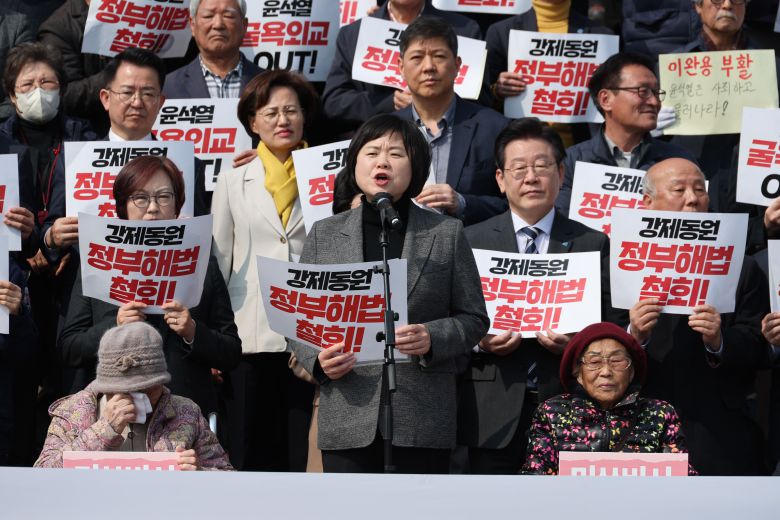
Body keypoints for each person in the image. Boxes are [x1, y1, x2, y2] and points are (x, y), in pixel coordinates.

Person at [290, 114, 489, 473]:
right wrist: (317, 361)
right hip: (348, 410)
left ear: (416, 167)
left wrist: (433, 336)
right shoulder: (324, 234)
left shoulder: (446, 233)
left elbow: (474, 318)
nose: (382, 161)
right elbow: (299, 321)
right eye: (372, 152)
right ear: (355, 164)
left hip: (422, 414)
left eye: (396, 153)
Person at [459, 118, 621, 474]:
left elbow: (612, 325)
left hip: (569, 402)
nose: (530, 177)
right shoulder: (470, 240)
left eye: (542, 166)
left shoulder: (591, 242)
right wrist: (480, 343)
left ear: (561, 174)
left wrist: (578, 346)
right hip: (490, 407)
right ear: (500, 180)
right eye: (518, 168)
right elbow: (452, 318)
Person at [58, 155, 241, 420]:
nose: (153, 208)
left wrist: (193, 332)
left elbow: (232, 352)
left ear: (177, 205)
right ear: (123, 207)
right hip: (115, 414)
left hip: (184, 415)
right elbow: (69, 348)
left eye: (164, 197)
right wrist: (114, 326)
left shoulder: (203, 263)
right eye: (140, 198)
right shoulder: (97, 261)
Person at [627, 157, 769, 475]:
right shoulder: (622, 262)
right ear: (647, 202)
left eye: (700, 189)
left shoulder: (741, 266)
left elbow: (758, 345)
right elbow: (597, 340)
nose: (693, 198)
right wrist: (635, 334)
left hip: (719, 432)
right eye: (679, 189)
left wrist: (719, 340)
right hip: (642, 426)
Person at [211, 69, 318, 471]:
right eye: (270, 112)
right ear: (253, 122)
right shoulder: (234, 176)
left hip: (307, 333)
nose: (282, 120)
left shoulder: (327, 174)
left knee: (297, 452)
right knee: (244, 449)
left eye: (292, 110)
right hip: (247, 332)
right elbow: (220, 257)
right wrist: (215, 338)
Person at [35, 322, 233, 470]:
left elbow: (226, 476)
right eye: (125, 391)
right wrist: (103, 431)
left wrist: (199, 472)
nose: (138, 398)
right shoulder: (74, 411)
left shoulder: (186, 412)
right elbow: (43, 475)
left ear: (161, 382)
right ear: (107, 387)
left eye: (148, 389)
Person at [522, 322, 695, 475]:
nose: (606, 372)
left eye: (617, 361)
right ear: (577, 372)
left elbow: (683, 478)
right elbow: (536, 479)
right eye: (594, 362)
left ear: (632, 372)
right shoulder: (551, 413)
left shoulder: (660, 413)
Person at [394, 16, 508, 226]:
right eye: (417, 57)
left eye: (438, 56)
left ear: (457, 65)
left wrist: (463, 203)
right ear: (401, 67)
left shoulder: (495, 128)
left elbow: (515, 204)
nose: (428, 67)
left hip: (471, 249)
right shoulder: (385, 130)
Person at [554, 52, 697, 217]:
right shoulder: (572, 161)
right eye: (643, 91)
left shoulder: (679, 160)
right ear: (606, 99)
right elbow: (559, 222)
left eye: (656, 93)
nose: (654, 102)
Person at [322, 0, 481, 134]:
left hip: (448, 137)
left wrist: (433, 100)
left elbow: (481, 99)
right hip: (377, 142)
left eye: (438, 56)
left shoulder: (464, 30)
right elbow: (334, 102)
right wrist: (390, 103)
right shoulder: (353, 34)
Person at [484, 0, 611, 145]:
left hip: (581, 150)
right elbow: (483, 100)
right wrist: (497, 91)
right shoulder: (501, 32)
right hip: (520, 147)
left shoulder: (602, 35)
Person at [163, 0, 263, 100]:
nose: (218, 24)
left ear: (244, 26)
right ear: (192, 25)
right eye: (208, 16)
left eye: (228, 16)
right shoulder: (168, 86)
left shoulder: (269, 83)